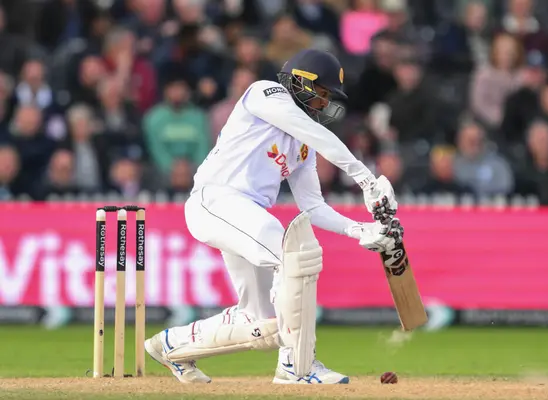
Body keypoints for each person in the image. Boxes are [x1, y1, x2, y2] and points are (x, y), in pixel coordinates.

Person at [144, 49, 404, 385]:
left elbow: (313, 207)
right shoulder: (264, 93)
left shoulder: (302, 143)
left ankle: (170, 345)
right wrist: (368, 180)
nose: (323, 105)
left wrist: (361, 230)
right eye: (321, 94)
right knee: (292, 254)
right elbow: (319, 136)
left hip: (244, 215)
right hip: (215, 201)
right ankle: (297, 365)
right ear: (300, 82)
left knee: (257, 318)